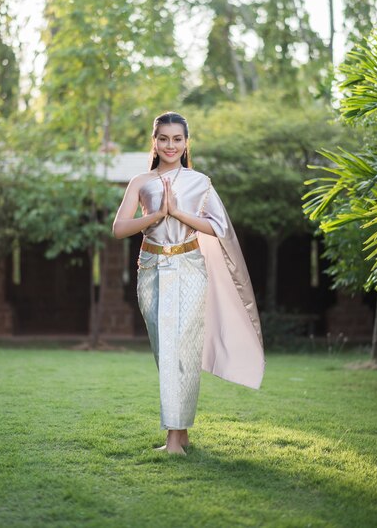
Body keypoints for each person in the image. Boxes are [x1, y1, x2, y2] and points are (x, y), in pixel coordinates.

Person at [112, 112, 264, 455]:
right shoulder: (140, 181)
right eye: (163, 138)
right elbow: (119, 228)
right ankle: (180, 434)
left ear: (186, 142)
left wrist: (179, 213)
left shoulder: (200, 182)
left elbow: (219, 228)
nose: (170, 145)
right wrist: (156, 215)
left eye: (177, 139)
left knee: (184, 348)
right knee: (164, 349)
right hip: (151, 268)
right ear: (154, 142)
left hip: (190, 266)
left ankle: (173, 440)